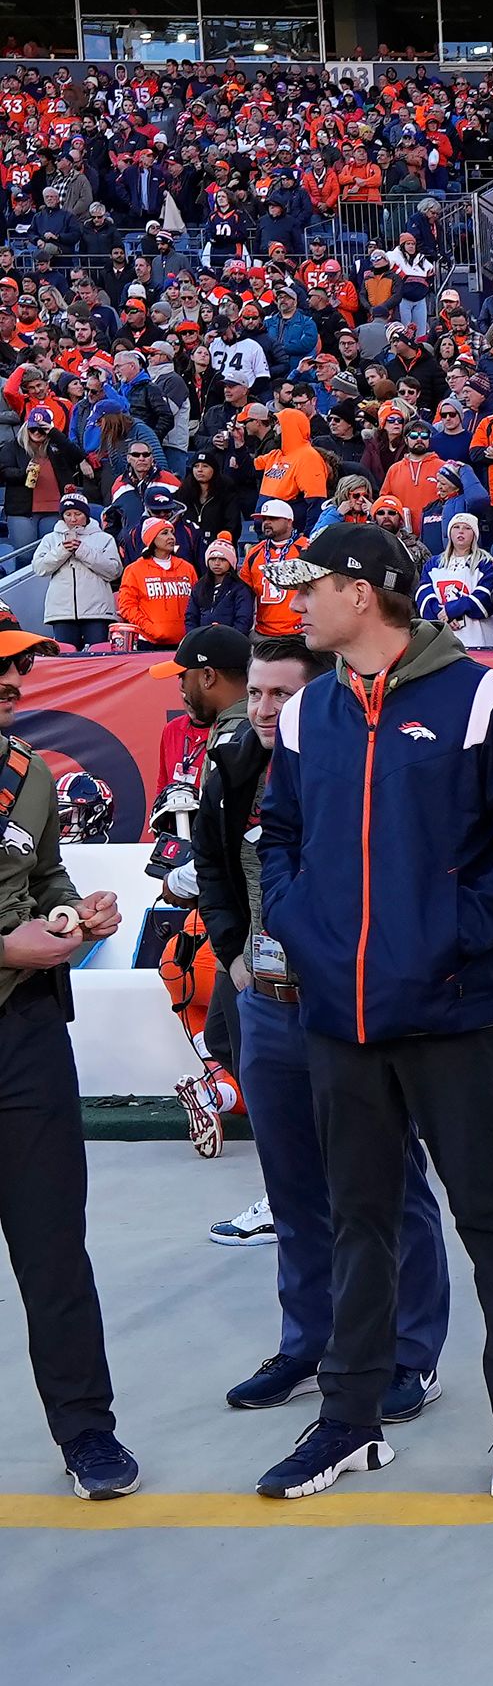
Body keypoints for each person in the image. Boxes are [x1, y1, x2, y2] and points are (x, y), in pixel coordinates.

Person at [252, 522, 493, 1503]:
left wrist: (446, 938)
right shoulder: (309, 715)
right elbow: (282, 836)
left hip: (452, 1014)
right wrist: (305, 927)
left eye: (313, 585)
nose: (297, 602)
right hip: (338, 1019)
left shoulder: (483, 700)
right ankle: (349, 1421)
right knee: (358, 1223)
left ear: (365, 593)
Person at [199, 632, 453, 1415]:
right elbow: (212, 862)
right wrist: (233, 950)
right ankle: (309, 1342)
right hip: (267, 1007)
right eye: (258, 693)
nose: (267, 709)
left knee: (387, 1179)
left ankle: (409, 1353)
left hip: (355, 1008)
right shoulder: (233, 759)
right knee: (294, 1188)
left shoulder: (360, 754)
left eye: (285, 694)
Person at [0, 617, 134, 1496]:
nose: (14, 683)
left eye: (18, 669)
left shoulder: (29, 773)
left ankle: (87, 1432)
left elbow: (41, 877)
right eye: (0, 669)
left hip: (24, 1040)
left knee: (54, 1248)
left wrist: (75, 911)